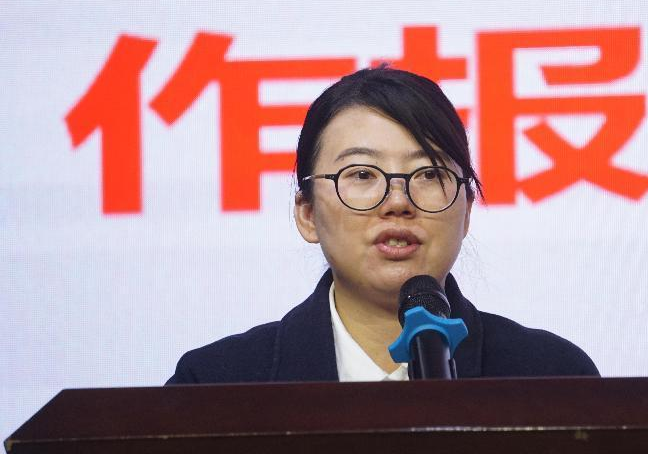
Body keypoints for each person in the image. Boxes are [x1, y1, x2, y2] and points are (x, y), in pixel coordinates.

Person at [166, 65, 598, 383]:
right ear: (307, 213)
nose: (397, 203)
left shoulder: (553, 377)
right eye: (361, 174)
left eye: (428, 174)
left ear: (467, 210)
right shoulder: (215, 385)